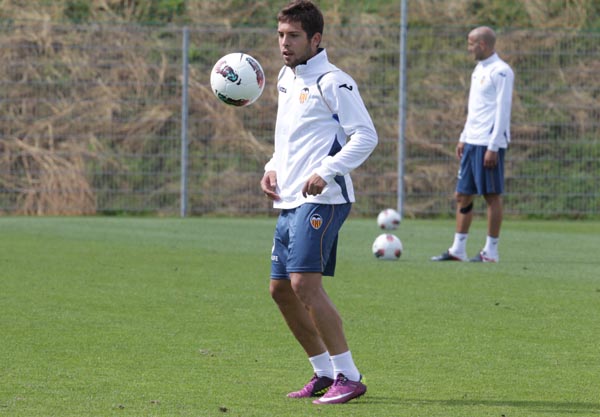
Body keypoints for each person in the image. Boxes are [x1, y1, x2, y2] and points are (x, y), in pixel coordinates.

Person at [260, 0, 378, 405]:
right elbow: (287, 136)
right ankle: (324, 373)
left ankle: (350, 376)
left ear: (315, 39)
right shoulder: (285, 78)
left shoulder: (334, 82)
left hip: (324, 199)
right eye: (280, 35)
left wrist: (327, 170)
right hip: (289, 198)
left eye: (293, 36)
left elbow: (365, 136)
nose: (284, 43)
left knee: (303, 284)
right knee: (280, 290)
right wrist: (272, 167)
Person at [432, 26, 514, 263]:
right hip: (471, 141)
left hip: (488, 143)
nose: (468, 48)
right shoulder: (479, 69)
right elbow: (475, 108)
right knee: (463, 194)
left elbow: (502, 110)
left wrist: (494, 146)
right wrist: (463, 136)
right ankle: (458, 250)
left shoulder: (501, 71)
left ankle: (491, 252)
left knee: (491, 195)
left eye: (471, 44)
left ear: (483, 45)